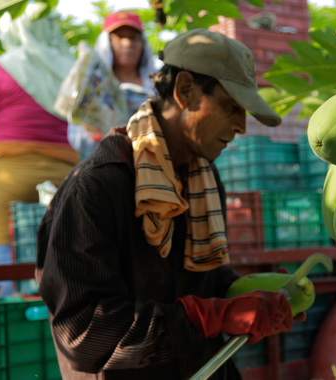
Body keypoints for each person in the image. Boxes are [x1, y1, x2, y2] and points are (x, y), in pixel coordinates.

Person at [35, 29, 295, 379]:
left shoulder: (203, 178)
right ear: (185, 89)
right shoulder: (95, 188)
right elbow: (84, 334)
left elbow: (202, 279)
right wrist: (211, 316)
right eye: (231, 107)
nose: (240, 127)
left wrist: (249, 294)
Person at [0, 6, 78, 296]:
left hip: (9, 175)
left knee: (6, 261)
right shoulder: (70, 70)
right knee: (66, 256)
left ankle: (11, 300)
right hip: (65, 177)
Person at [67, 10, 157, 156]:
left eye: (133, 38)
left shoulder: (156, 85)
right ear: (107, 42)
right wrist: (92, 133)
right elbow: (74, 134)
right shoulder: (92, 86)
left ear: (142, 43)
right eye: (120, 37)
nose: (127, 43)